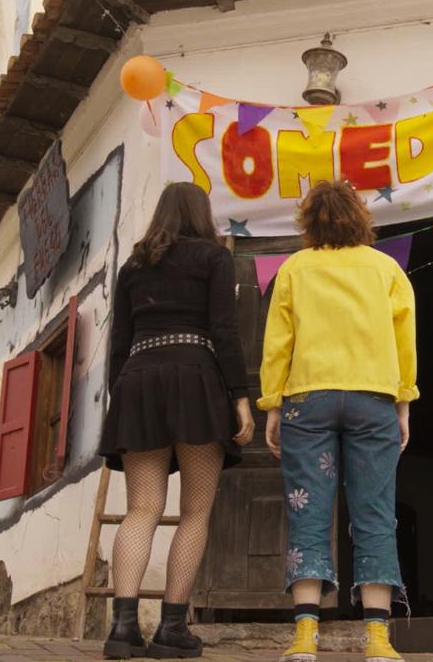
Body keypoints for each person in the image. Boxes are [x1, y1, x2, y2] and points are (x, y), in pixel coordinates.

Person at [259, 180, 418, 662]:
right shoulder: (387, 268)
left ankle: (306, 636)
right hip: (373, 397)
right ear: (360, 218)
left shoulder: (294, 268)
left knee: (308, 510)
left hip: (308, 397)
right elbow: (404, 339)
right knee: (374, 511)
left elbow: (278, 341)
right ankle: (378, 640)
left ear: (309, 222)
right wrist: (404, 401)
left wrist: (272, 404)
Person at [100, 182, 255, 660]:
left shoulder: (133, 266)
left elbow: (118, 341)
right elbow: (225, 331)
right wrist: (241, 397)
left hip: (139, 379)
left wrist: (119, 395)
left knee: (142, 509)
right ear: (201, 214)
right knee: (194, 510)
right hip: (197, 380)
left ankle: (123, 629)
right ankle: (171, 628)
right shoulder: (213, 258)